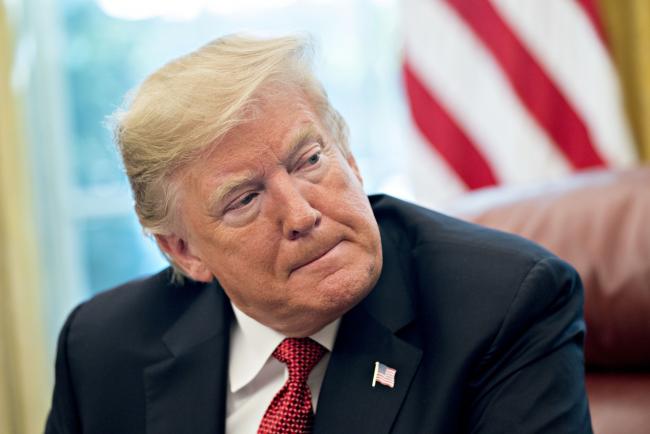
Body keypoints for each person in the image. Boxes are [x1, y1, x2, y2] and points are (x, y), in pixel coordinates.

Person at [45, 35, 592, 434]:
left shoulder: (504, 305)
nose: (302, 214)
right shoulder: (101, 349)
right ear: (184, 250)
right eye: (245, 199)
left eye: (309, 160)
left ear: (350, 158)